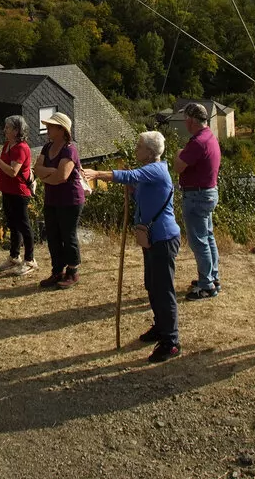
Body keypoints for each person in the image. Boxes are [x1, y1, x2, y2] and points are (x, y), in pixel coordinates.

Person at [83, 131, 181, 363]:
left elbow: (130, 175)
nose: (135, 150)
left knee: (163, 289)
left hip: (163, 238)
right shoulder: (149, 173)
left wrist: (97, 173)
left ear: (149, 152)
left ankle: (171, 341)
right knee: (152, 285)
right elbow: (142, 191)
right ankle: (160, 326)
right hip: (152, 239)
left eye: (138, 147)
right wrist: (134, 191)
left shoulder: (155, 170)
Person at [175, 102, 222, 300]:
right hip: (208, 192)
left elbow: (178, 166)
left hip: (196, 195)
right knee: (208, 237)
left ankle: (206, 285)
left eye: (186, 118)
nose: (185, 122)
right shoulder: (209, 136)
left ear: (192, 120)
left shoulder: (197, 143)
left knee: (199, 241)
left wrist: (178, 153)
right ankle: (212, 276)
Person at [36, 111, 84, 289]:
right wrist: (50, 173)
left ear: (61, 129)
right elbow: (36, 169)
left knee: (68, 235)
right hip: (52, 199)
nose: (47, 128)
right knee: (53, 236)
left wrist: (45, 174)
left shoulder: (69, 150)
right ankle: (57, 271)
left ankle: (72, 271)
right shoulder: (47, 148)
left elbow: (62, 176)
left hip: (70, 200)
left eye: (51, 126)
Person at [0, 114, 36, 275]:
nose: (4, 130)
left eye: (8, 128)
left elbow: (13, 171)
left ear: (16, 130)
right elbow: (3, 167)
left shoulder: (21, 148)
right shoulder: (7, 145)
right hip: (8, 191)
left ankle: (30, 260)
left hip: (19, 192)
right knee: (13, 225)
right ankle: (14, 256)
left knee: (24, 225)